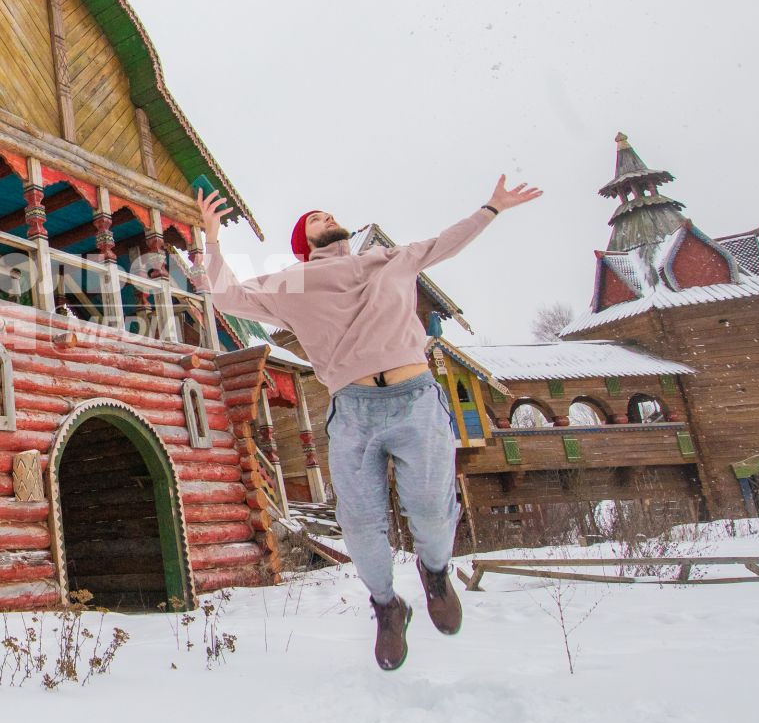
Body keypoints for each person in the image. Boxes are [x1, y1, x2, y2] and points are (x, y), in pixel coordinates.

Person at [195, 177, 542, 670]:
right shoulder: (291, 284)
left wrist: (492, 207)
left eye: (330, 215)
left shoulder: (388, 259)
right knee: (360, 526)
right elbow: (224, 295)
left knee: (432, 510)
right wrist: (212, 240)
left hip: (416, 398)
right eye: (316, 219)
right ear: (302, 244)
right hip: (352, 409)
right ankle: (386, 604)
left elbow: (446, 242)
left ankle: (436, 573)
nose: (328, 219)